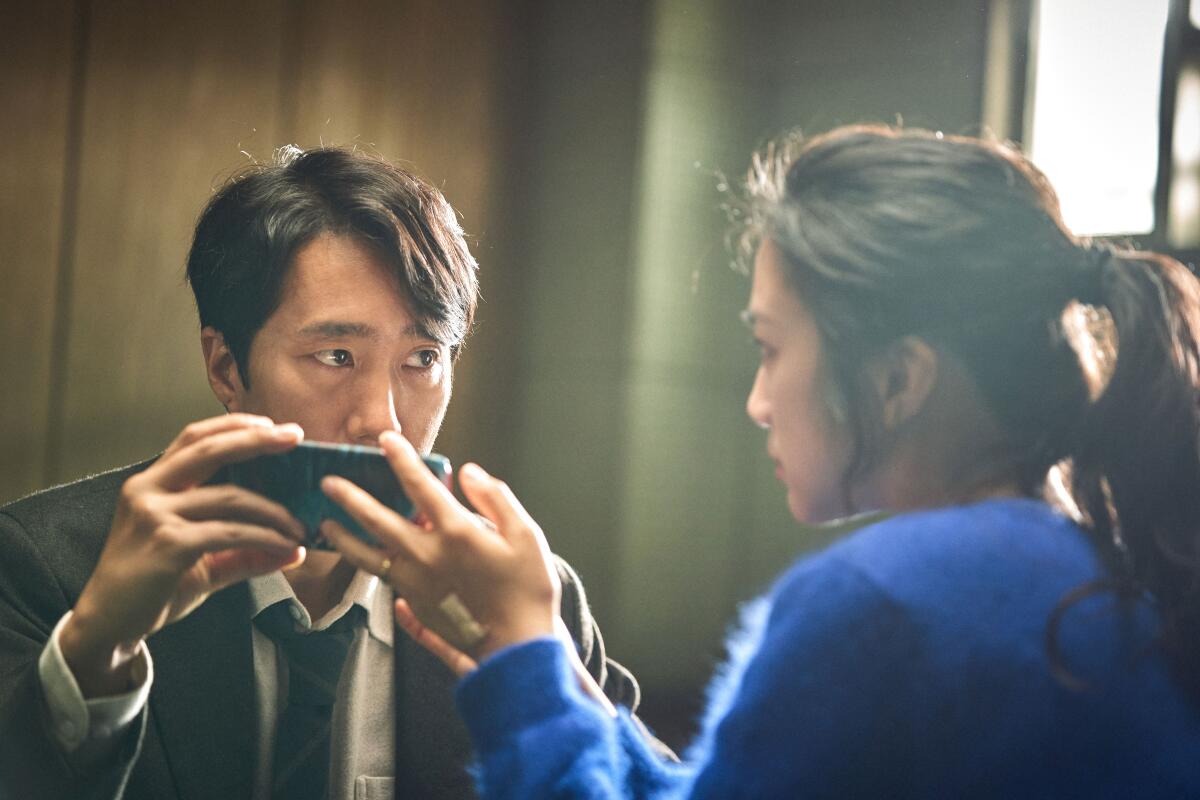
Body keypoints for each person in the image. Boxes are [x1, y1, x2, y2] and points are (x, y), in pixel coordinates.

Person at [318, 124, 1200, 797]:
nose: (757, 400)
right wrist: (550, 661)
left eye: (772, 348)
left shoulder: (880, 604)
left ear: (897, 380)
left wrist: (519, 665)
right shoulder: (1079, 561)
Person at [0, 146, 650, 800]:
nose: (384, 423)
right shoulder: (46, 565)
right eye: (337, 355)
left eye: (422, 358)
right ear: (227, 367)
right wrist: (95, 649)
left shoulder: (521, 596)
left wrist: (541, 673)